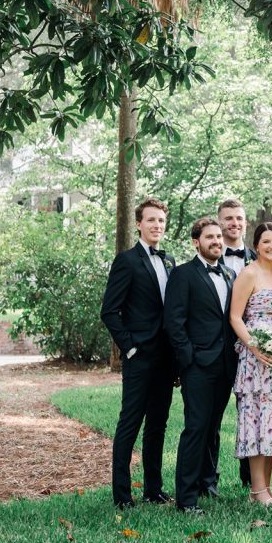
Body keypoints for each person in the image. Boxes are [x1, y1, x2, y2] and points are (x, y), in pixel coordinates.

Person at [100, 197, 176, 509]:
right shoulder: (127, 261)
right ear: (139, 224)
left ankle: (153, 489)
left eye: (161, 220)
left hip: (166, 359)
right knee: (130, 424)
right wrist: (129, 348)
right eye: (152, 220)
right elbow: (109, 311)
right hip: (139, 357)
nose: (157, 225)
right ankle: (122, 495)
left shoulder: (169, 260)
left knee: (158, 424)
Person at [163, 217, 237, 513]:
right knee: (195, 428)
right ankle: (186, 499)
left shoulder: (231, 275)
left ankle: (208, 483)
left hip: (225, 364)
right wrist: (188, 361)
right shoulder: (183, 274)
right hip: (198, 366)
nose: (217, 241)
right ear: (197, 242)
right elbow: (174, 322)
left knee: (214, 427)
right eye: (210, 237)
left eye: (219, 237)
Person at [228, 222, 272, 505]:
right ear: (257, 244)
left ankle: (267, 487)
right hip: (255, 358)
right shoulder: (249, 273)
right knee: (256, 420)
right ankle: (256, 488)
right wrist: (254, 346)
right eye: (266, 242)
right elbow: (235, 317)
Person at [217, 197, 257, 488]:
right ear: (219, 222)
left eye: (239, 218)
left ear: (245, 222)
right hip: (216, 348)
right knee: (211, 416)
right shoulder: (209, 256)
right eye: (228, 218)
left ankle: (249, 479)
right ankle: (208, 480)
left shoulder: (259, 259)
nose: (234, 223)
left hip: (251, 348)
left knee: (249, 412)